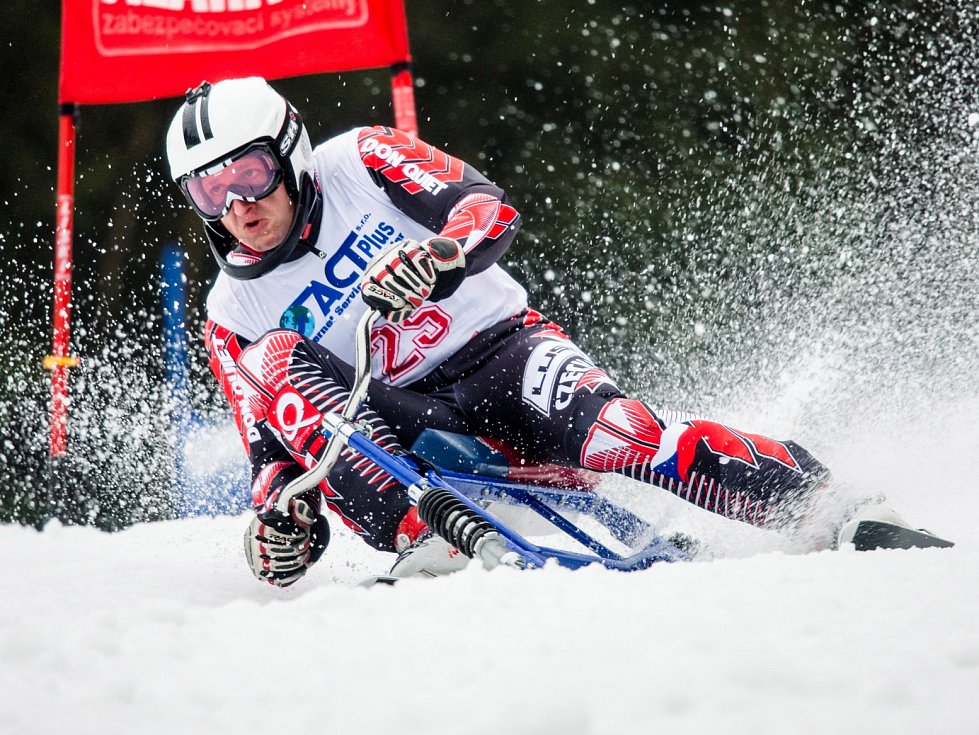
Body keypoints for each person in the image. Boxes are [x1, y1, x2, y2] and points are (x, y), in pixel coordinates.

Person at [165, 77, 940, 588]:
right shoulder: (229, 314)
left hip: (505, 355)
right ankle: (428, 529)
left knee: (622, 435)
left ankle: (826, 506)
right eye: (210, 187)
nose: (236, 203)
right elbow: (272, 451)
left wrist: (440, 258)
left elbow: (486, 206)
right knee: (271, 358)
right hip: (404, 426)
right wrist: (278, 520)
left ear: (291, 154)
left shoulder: (361, 159)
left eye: (250, 173)